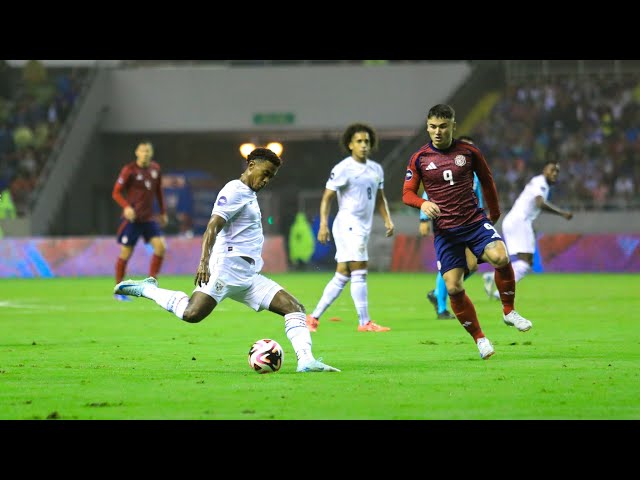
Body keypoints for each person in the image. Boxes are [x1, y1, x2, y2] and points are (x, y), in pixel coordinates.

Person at [114, 147, 339, 373]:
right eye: (265, 173)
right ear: (251, 166)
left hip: (248, 277)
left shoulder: (249, 194)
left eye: (271, 176)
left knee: (294, 308)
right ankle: (148, 289)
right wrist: (203, 262)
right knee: (192, 314)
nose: (267, 180)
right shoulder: (234, 190)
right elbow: (213, 226)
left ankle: (306, 361)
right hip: (226, 270)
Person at [402, 104, 532, 360]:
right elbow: (407, 193)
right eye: (432, 127)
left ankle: (508, 311)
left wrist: (493, 214)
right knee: (453, 287)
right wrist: (423, 203)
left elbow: (487, 180)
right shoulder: (420, 158)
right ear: (427, 127)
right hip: (446, 233)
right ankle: (480, 339)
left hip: (473, 222)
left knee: (501, 257)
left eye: (442, 126)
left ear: (453, 126)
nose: (437, 132)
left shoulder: (469, 152)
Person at [306, 122, 395, 333]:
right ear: (350, 145)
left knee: (343, 274)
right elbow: (327, 198)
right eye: (359, 141)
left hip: (362, 226)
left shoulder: (376, 169)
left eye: (366, 141)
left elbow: (380, 198)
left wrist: (387, 220)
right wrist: (323, 225)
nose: (364, 145)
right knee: (360, 269)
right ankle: (365, 322)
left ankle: (313, 318)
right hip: (347, 224)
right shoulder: (343, 169)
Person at [483, 161, 573, 299]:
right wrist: (562, 213)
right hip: (519, 221)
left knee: (525, 262)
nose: (554, 173)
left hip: (516, 220)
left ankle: (495, 282)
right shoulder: (541, 182)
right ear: (544, 171)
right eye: (552, 170)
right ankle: (498, 289)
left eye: (557, 171)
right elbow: (539, 203)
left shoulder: (539, 183)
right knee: (525, 263)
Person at [420, 135, 480, 319]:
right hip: (447, 224)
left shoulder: (474, 174)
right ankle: (441, 308)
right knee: (449, 265)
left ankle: (438, 293)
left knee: (472, 265)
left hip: (469, 223)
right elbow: (428, 193)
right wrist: (423, 218)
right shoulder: (446, 168)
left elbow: (477, 198)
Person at [112, 140, 168, 301]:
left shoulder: (155, 169)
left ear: (151, 153)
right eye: (142, 151)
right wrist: (126, 207)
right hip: (133, 219)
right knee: (126, 253)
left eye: (148, 151)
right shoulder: (129, 170)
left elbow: (158, 192)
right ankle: (119, 289)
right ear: (137, 152)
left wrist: (163, 212)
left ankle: (151, 283)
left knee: (160, 248)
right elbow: (116, 192)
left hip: (148, 218)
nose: (145, 154)